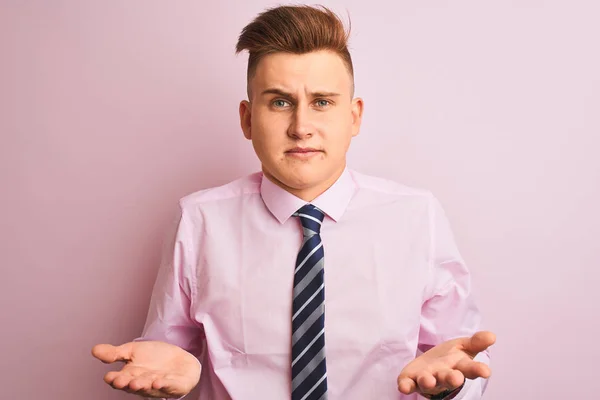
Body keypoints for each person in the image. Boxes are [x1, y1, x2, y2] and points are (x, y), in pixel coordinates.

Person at [92, 4, 495, 400]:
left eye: (322, 102)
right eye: (280, 102)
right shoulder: (198, 220)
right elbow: (164, 357)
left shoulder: (417, 216)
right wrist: (167, 382)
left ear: (354, 117)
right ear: (248, 119)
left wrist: (450, 388)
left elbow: (460, 359)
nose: (301, 128)